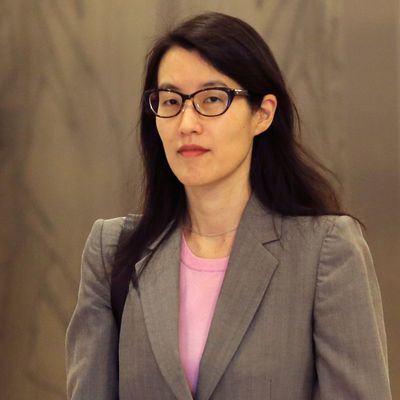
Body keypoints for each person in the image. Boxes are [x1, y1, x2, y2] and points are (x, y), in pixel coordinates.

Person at [65, 12, 392, 400]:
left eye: (212, 99)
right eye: (171, 101)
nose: (187, 122)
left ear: (263, 113)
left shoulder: (324, 250)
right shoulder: (112, 250)